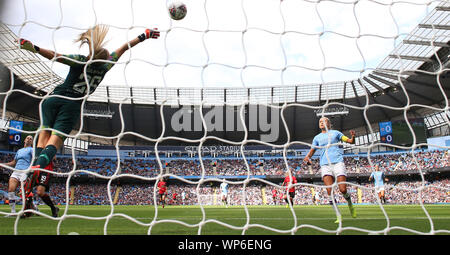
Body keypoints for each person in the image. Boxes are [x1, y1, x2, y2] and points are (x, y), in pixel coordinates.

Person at [17, 25, 160, 199]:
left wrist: (35, 48)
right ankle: (35, 171)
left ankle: (33, 174)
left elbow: (56, 56)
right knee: (53, 144)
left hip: (52, 99)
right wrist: (144, 36)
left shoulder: (80, 60)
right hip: (71, 105)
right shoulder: (105, 66)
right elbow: (124, 47)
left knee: (44, 136)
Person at [303, 116, 357, 223]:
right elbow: (313, 150)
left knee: (343, 189)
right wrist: (307, 157)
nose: (321, 123)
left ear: (329, 124)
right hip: (325, 165)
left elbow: (350, 141)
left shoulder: (336, 133)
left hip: (337, 162)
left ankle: (350, 203)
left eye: (323, 121)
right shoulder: (317, 138)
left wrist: (353, 137)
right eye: (320, 121)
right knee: (329, 191)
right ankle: (338, 216)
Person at [1, 135, 38, 216]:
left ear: (32, 142)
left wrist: (30, 171)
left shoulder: (31, 150)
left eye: (31, 139)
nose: (29, 139)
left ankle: (33, 207)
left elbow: (34, 160)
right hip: (16, 171)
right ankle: (13, 212)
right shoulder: (19, 151)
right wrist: (3, 164)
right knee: (11, 190)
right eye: (27, 138)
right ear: (24, 140)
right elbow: (14, 162)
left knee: (24, 192)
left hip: (25, 172)